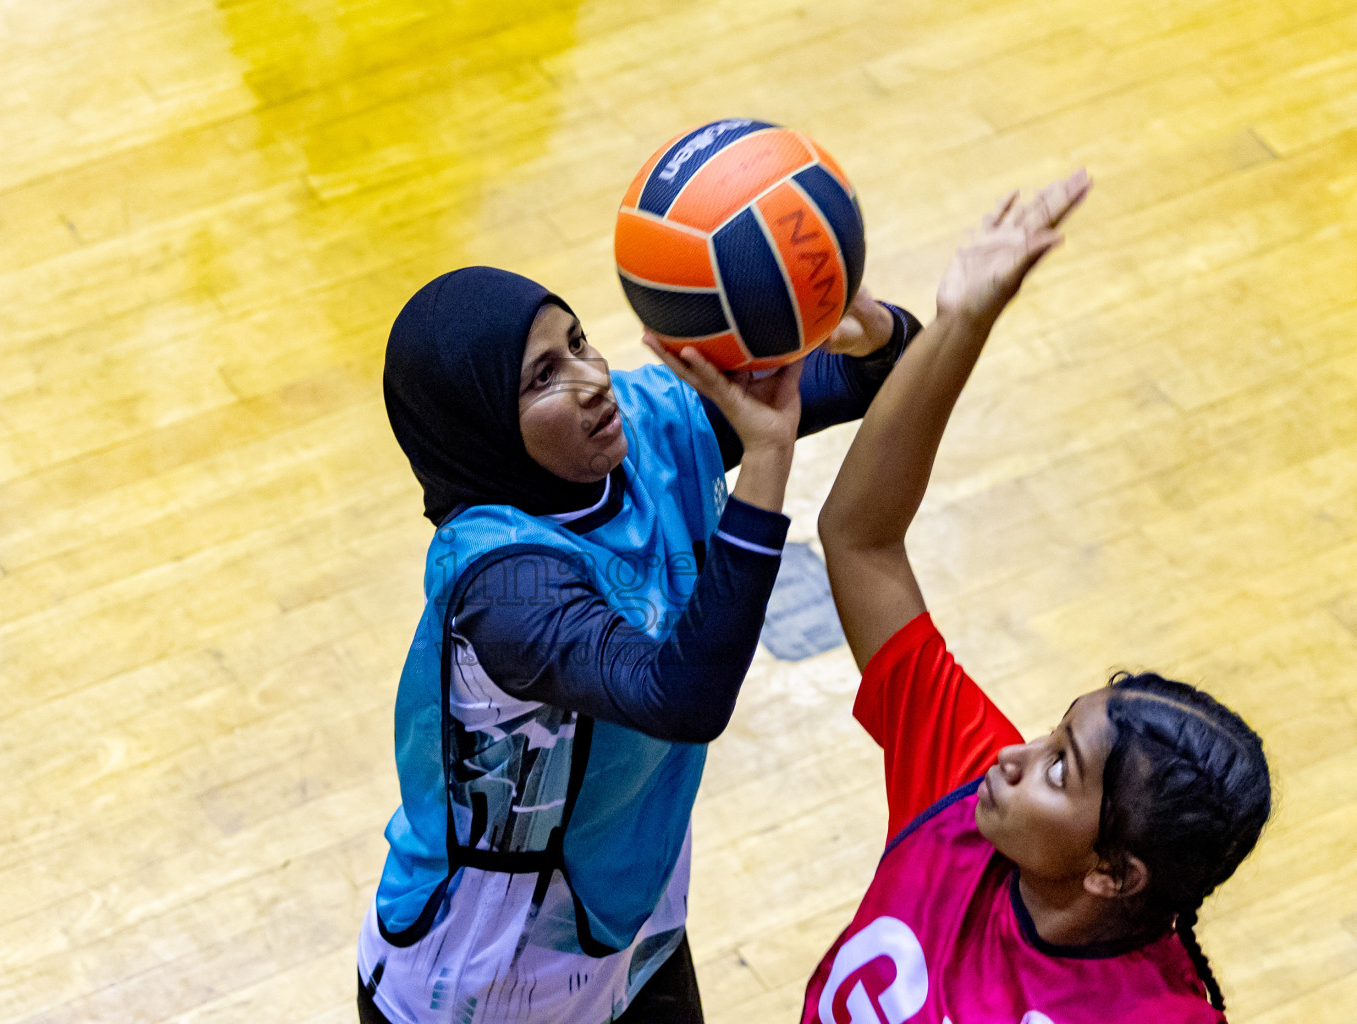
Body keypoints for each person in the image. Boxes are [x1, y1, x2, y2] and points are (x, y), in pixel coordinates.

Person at [360, 264, 921, 1024]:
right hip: (481, 982)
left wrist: (876, 334)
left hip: (633, 929)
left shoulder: (652, 421)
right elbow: (679, 695)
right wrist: (765, 464)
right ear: (482, 423)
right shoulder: (501, 584)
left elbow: (874, 377)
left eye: (580, 342)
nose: (593, 379)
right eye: (542, 378)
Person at [804, 171, 1272, 1024]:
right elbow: (860, 540)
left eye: (1061, 767)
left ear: (1112, 873)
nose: (1010, 758)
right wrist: (960, 324)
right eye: (1053, 733)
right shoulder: (962, 788)